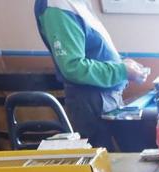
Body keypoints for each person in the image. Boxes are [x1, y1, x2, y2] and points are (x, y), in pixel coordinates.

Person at [34, 0, 149, 151]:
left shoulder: (76, 4)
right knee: (106, 161)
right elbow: (73, 67)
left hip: (103, 98)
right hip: (91, 101)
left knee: (118, 159)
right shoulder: (58, 5)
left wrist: (122, 65)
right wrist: (122, 71)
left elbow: (93, 51)